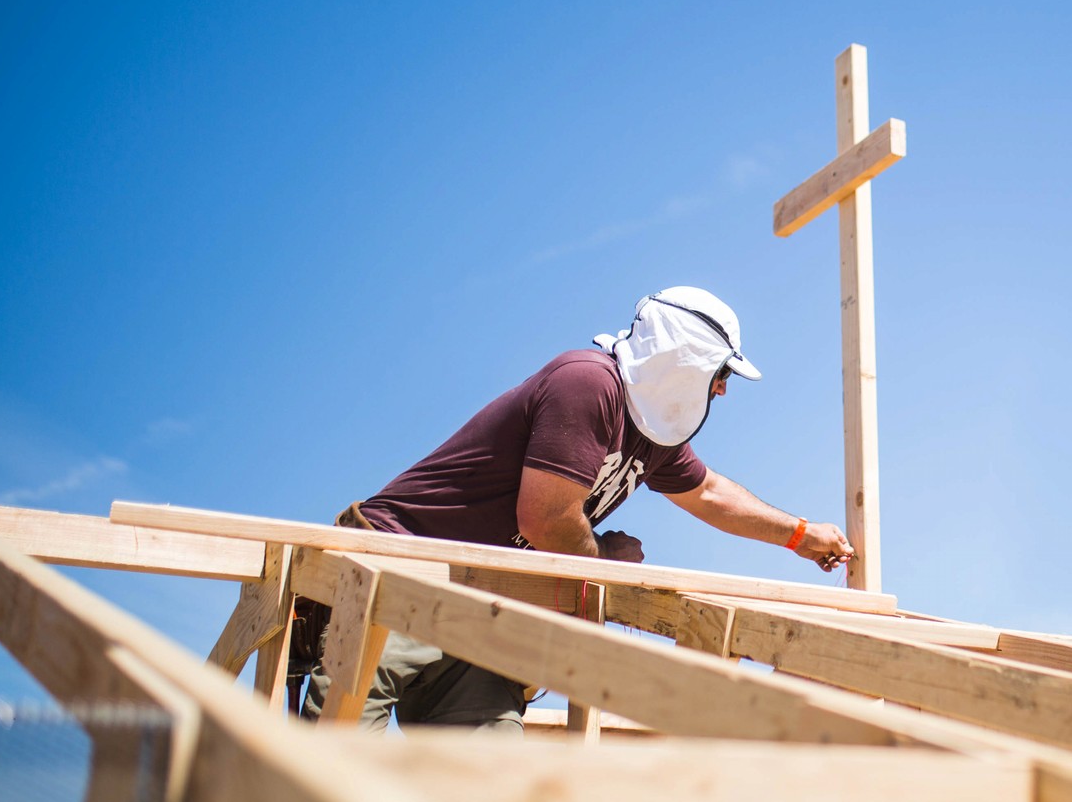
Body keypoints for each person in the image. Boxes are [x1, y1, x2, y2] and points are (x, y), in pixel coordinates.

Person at [297, 286, 854, 731]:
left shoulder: (652, 436)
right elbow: (543, 519)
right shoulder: (587, 384)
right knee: (335, 774)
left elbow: (708, 493)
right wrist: (604, 557)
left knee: (489, 796)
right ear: (687, 363)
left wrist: (800, 535)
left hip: (491, 601)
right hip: (408, 568)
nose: (723, 392)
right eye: (722, 375)